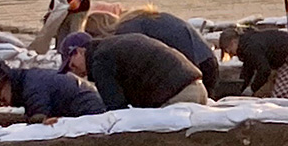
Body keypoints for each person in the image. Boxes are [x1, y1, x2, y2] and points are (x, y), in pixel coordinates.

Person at [86, 6, 222, 97]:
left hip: (191, 68)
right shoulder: (145, 19)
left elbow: (136, 65)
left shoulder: (125, 33)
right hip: (207, 59)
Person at [58, 32, 206, 110]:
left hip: (177, 96)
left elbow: (116, 108)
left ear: (79, 51)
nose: (76, 73)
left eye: (72, 65)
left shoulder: (100, 61)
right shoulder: (113, 45)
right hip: (197, 87)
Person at [219, 27, 288, 99]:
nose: (232, 54)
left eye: (229, 50)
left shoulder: (251, 47)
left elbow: (264, 70)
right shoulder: (247, 44)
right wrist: (241, 89)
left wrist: (252, 89)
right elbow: (248, 70)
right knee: (283, 94)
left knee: (281, 95)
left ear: (233, 42)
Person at [0, 63, 105, 124]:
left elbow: (39, 114)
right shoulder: (30, 79)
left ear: (7, 85)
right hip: (87, 103)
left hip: (88, 109)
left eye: (2, 99)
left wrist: (37, 120)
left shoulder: (31, 86)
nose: (6, 104)